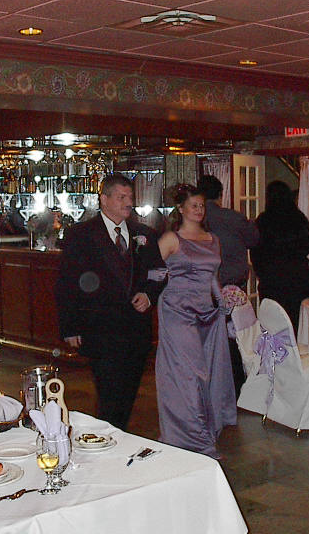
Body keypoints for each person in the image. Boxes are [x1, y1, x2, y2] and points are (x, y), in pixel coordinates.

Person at [55, 173, 163, 431]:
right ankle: (108, 438)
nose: (129, 203)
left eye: (130, 197)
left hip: (135, 330)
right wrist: (70, 327)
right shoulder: (81, 234)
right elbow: (67, 282)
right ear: (104, 199)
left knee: (128, 394)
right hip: (100, 328)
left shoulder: (143, 233)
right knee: (109, 394)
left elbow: (159, 272)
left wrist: (149, 295)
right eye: (121, 197)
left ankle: (119, 435)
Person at [156, 184, 236, 458]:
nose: (200, 210)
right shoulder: (172, 239)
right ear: (181, 209)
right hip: (177, 312)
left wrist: (223, 302)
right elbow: (151, 271)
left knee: (209, 372)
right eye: (194, 206)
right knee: (191, 373)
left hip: (207, 312)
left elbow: (212, 277)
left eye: (202, 205)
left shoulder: (212, 239)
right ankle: (197, 440)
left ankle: (193, 431)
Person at [197, 174, 259, 397]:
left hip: (201, 290)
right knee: (233, 340)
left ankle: (209, 386)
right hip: (231, 286)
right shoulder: (233, 217)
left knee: (206, 340)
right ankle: (234, 387)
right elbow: (254, 240)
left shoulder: (194, 220)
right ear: (220, 194)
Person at [251, 181, 309, 335]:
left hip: (273, 279)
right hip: (300, 277)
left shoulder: (263, 220)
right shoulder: (300, 219)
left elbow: (256, 251)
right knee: (298, 326)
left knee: (273, 327)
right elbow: (308, 246)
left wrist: (262, 273)